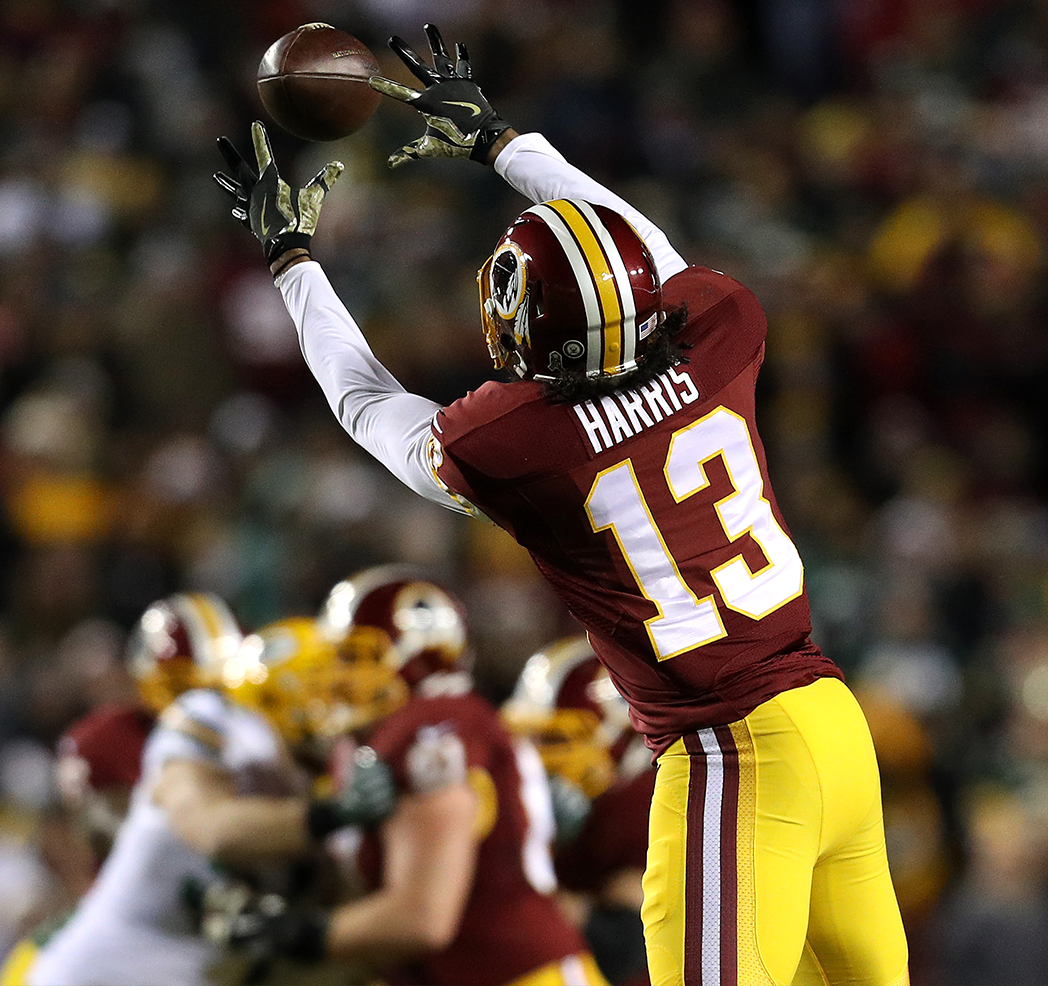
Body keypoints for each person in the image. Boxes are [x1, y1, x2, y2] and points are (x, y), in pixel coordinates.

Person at [213, 23, 909, 986]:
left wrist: (293, 263)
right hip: (831, 719)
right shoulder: (721, 331)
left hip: (731, 756)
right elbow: (643, 245)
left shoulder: (521, 448)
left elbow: (368, 404)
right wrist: (504, 142)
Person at [209, 565, 608, 986]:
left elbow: (422, 919)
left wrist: (289, 933)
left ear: (419, 655)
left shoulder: (433, 725)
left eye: (356, 657)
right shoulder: (395, 733)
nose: (338, 677)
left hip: (515, 973)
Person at [26, 608, 395, 986]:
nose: (338, 706)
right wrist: (336, 814)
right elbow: (209, 829)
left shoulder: (329, 783)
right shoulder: (215, 720)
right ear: (274, 693)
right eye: (323, 690)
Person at [0, 593, 237, 985]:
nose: (201, 701)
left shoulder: (255, 737)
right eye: (181, 682)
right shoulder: (107, 740)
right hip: (145, 920)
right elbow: (81, 839)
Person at [502, 635, 655, 986]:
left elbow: (621, 946)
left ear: (622, 740)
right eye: (527, 738)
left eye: (555, 740)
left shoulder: (638, 803)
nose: (531, 755)